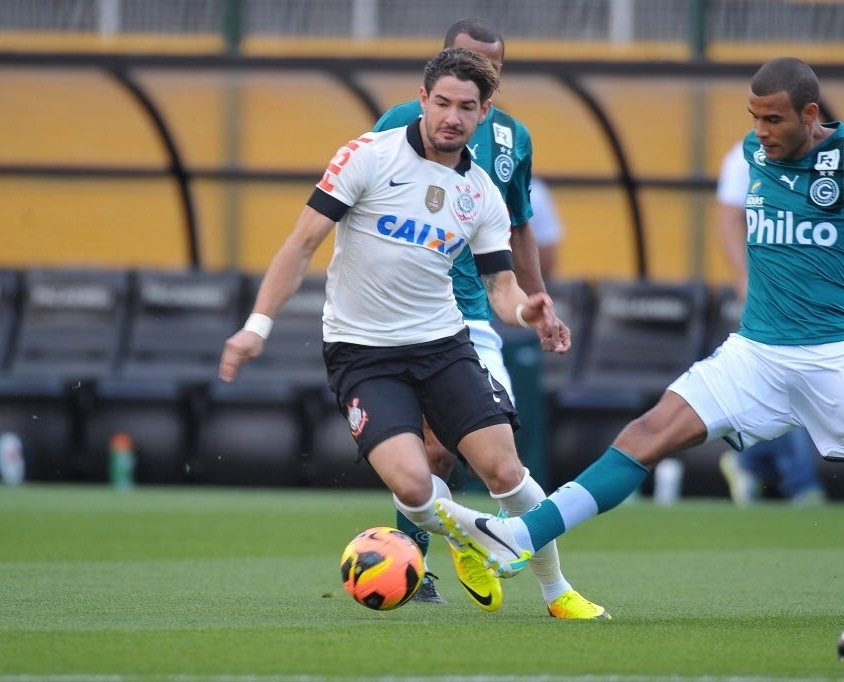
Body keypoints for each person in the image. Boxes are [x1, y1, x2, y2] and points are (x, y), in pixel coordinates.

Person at [434, 57, 843, 587]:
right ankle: (518, 537)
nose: (760, 132)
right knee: (646, 434)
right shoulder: (750, 155)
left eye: (774, 120)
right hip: (757, 354)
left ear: (810, 114)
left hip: (830, 353)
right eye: (754, 118)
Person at [219, 47, 572, 616]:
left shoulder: (480, 191)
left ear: (484, 114)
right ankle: (477, 536)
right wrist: (256, 327)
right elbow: (301, 243)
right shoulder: (366, 155)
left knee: (507, 471)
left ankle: (559, 593)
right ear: (423, 99)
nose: (451, 116)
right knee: (412, 487)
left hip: (441, 345)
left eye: (466, 107)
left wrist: (524, 310)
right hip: (363, 354)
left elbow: (501, 285)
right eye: (441, 103)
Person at [370, 18, 604, 619]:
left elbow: (518, 224)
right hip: (400, 317)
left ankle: (488, 551)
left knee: (487, 458)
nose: (479, 72)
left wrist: (538, 301)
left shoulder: (512, 140)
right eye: (467, 60)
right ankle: (425, 566)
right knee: (429, 452)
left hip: (472, 313)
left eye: (491, 67)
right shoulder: (398, 124)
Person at [714, 141, 827, 506]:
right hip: (768, 295)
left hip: (817, 299)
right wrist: (743, 278)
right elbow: (727, 216)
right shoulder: (743, 156)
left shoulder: (829, 158)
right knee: (788, 384)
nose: (764, 127)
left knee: (789, 388)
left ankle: (749, 460)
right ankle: (801, 484)